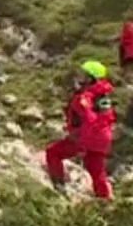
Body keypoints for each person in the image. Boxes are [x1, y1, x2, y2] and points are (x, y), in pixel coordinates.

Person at [45, 61, 117, 199]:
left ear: (91, 78)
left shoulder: (86, 96)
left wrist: (78, 135)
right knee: (96, 170)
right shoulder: (103, 96)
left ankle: (59, 189)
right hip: (102, 139)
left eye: (84, 75)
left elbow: (87, 117)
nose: (80, 78)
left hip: (87, 136)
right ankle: (105, 201)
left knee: (53, 152)